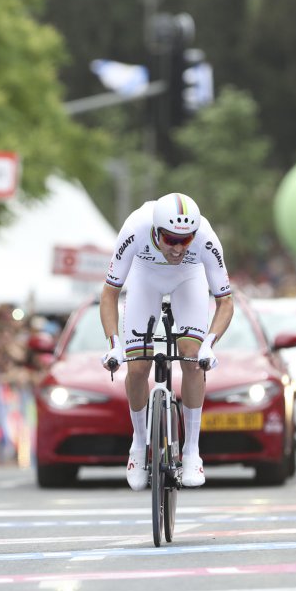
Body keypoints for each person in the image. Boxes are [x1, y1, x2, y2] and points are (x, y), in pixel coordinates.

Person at [100, 192, 233, 489]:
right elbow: (109, 294)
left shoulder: (206, 240)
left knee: (192, 359)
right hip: (145, 277)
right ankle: (138, 443)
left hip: (189, 279)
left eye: (185, 240)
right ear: (156, 231)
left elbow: (225, 301)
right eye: (170, 239)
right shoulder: (134, 228)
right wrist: (114, 345)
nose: (177, 247)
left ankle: (192, 452)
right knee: (137, 368)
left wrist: (209, 344)